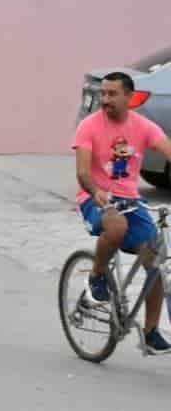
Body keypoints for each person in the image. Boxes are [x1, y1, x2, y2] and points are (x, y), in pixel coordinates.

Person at [69, 71, 171, 351]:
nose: (105, 99)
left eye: (112, 94)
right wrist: (95, 191)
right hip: (95, 198)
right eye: (103, 93)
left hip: (131, 201)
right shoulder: (89, 126)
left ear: (129, 96)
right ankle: (97, 275)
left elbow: (167, 149)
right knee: (116, 227)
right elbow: (82, 172)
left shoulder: (143, 126)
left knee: (156, 263)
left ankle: (150, 334)